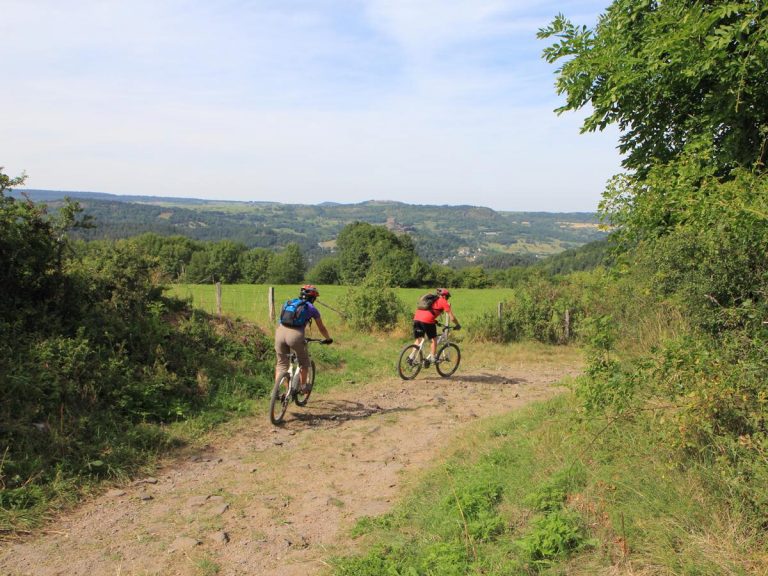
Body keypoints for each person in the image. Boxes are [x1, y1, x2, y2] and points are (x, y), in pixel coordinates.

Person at [274, 284, 332, 392]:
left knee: (281, 364)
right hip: (295, 336)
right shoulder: (311, 308)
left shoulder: (289, 303)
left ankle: (278, 390)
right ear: (313, 298)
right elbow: (322, 328)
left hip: (280, 333)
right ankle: (304, 387)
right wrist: (328, 338)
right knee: (304, 362)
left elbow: (280, 320)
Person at [412, 287, 461, 364]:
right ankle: (432, 357)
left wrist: (434, 320)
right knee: (434, 339)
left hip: (416, 319)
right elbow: (452, 318)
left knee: (419, 339)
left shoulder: (431, 300)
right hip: (427, 321)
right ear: (444, 296)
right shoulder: (443, 301)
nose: (447, 299)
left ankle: (411, 357)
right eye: (447, 297)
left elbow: (428, 311)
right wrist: (457, 325)